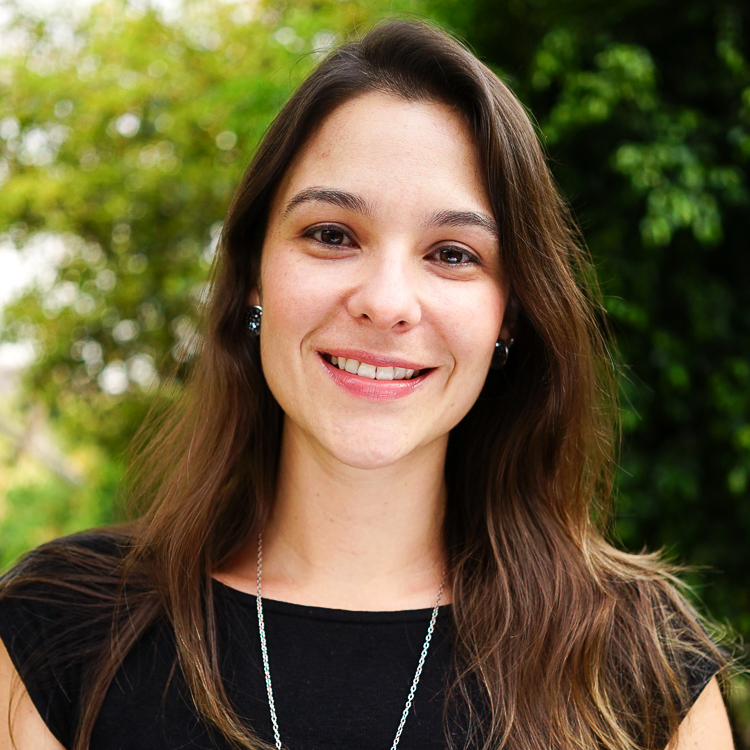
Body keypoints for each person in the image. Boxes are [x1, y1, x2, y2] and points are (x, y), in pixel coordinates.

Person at [0, 18, 735, 750]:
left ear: (508, 314)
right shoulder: (61, 636)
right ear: (255, 275)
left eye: (451, 253)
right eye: (331, 234)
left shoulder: (641, 664)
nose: (386, 303)